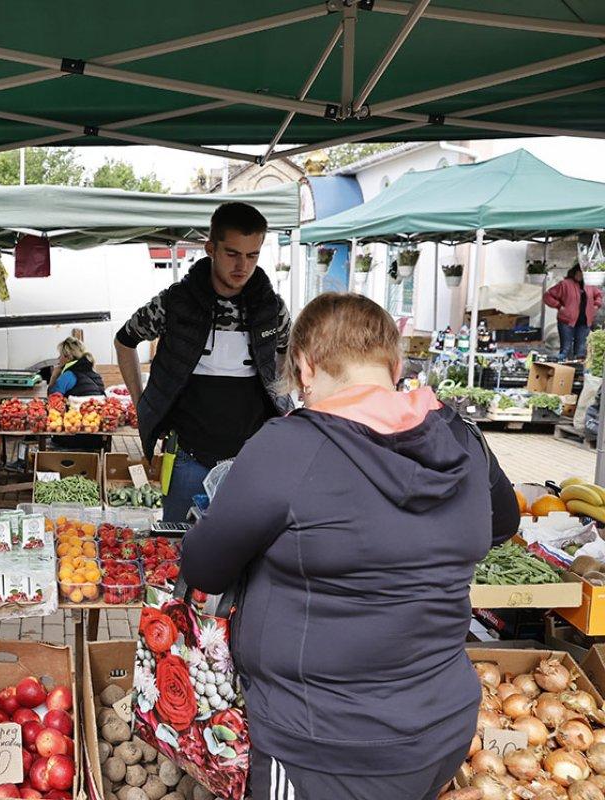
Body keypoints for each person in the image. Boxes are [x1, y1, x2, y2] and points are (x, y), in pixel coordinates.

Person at [180, 293, 519, 800]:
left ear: (305, 366)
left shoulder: (288, 446)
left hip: (323, 749)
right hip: (442, 730)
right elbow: (504, 522)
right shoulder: (463, 439)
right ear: (395, 363)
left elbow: (204, 566)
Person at [114, 202, 291, 522]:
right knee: (177, 549)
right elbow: (125, 341)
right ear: (210, 248)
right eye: (232, 253)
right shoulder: (173, 304)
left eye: (252, 255)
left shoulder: (272, 309)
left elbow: (287, 353)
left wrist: (279, 400)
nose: (242, 266)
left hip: (249, 463)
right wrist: (143, 404)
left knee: (242, 553)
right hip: (187, 458)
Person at [48, 336, 108, 451]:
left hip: (71, 437)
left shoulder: (68, 375)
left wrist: (54, 375)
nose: (58, 358)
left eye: (60, 355)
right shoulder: (96, 375)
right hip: (96, 437)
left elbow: (52, 400)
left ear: (67, 357)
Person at [544, 265, 601, 361]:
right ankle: (565, 371)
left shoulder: (590, 285)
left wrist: (596, 305)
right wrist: (559, 306)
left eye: (582, 273)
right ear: (574, 272)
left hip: (584, 322)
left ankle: (578, 372)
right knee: (566, 349)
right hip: (567, 321)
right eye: (578, 272)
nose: (580, 275)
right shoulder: (565, 284)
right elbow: (548, 295)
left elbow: (598, 295)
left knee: (581, 350)